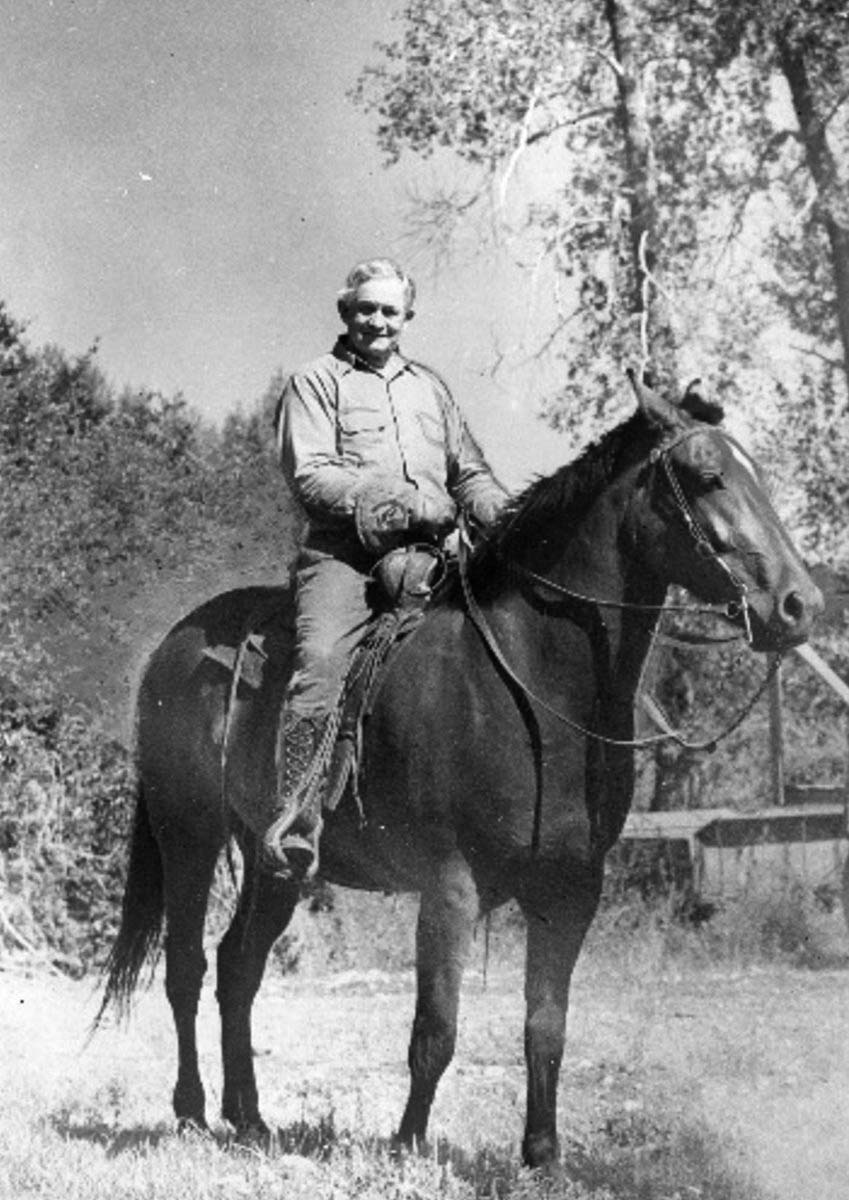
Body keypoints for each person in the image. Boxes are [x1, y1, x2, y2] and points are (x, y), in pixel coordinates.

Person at [265, 257, 509, 878]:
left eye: (390, 311)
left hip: (432, 557)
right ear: (346, 311)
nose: (377, 320)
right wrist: (402, 504)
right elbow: (313, 475)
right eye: (366, 308)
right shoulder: (315, 383)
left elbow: (469, 472)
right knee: (320, 661)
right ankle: (297, 814)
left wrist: (503, 516)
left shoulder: (431, 388)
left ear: (407, 318)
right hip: (345, 556)